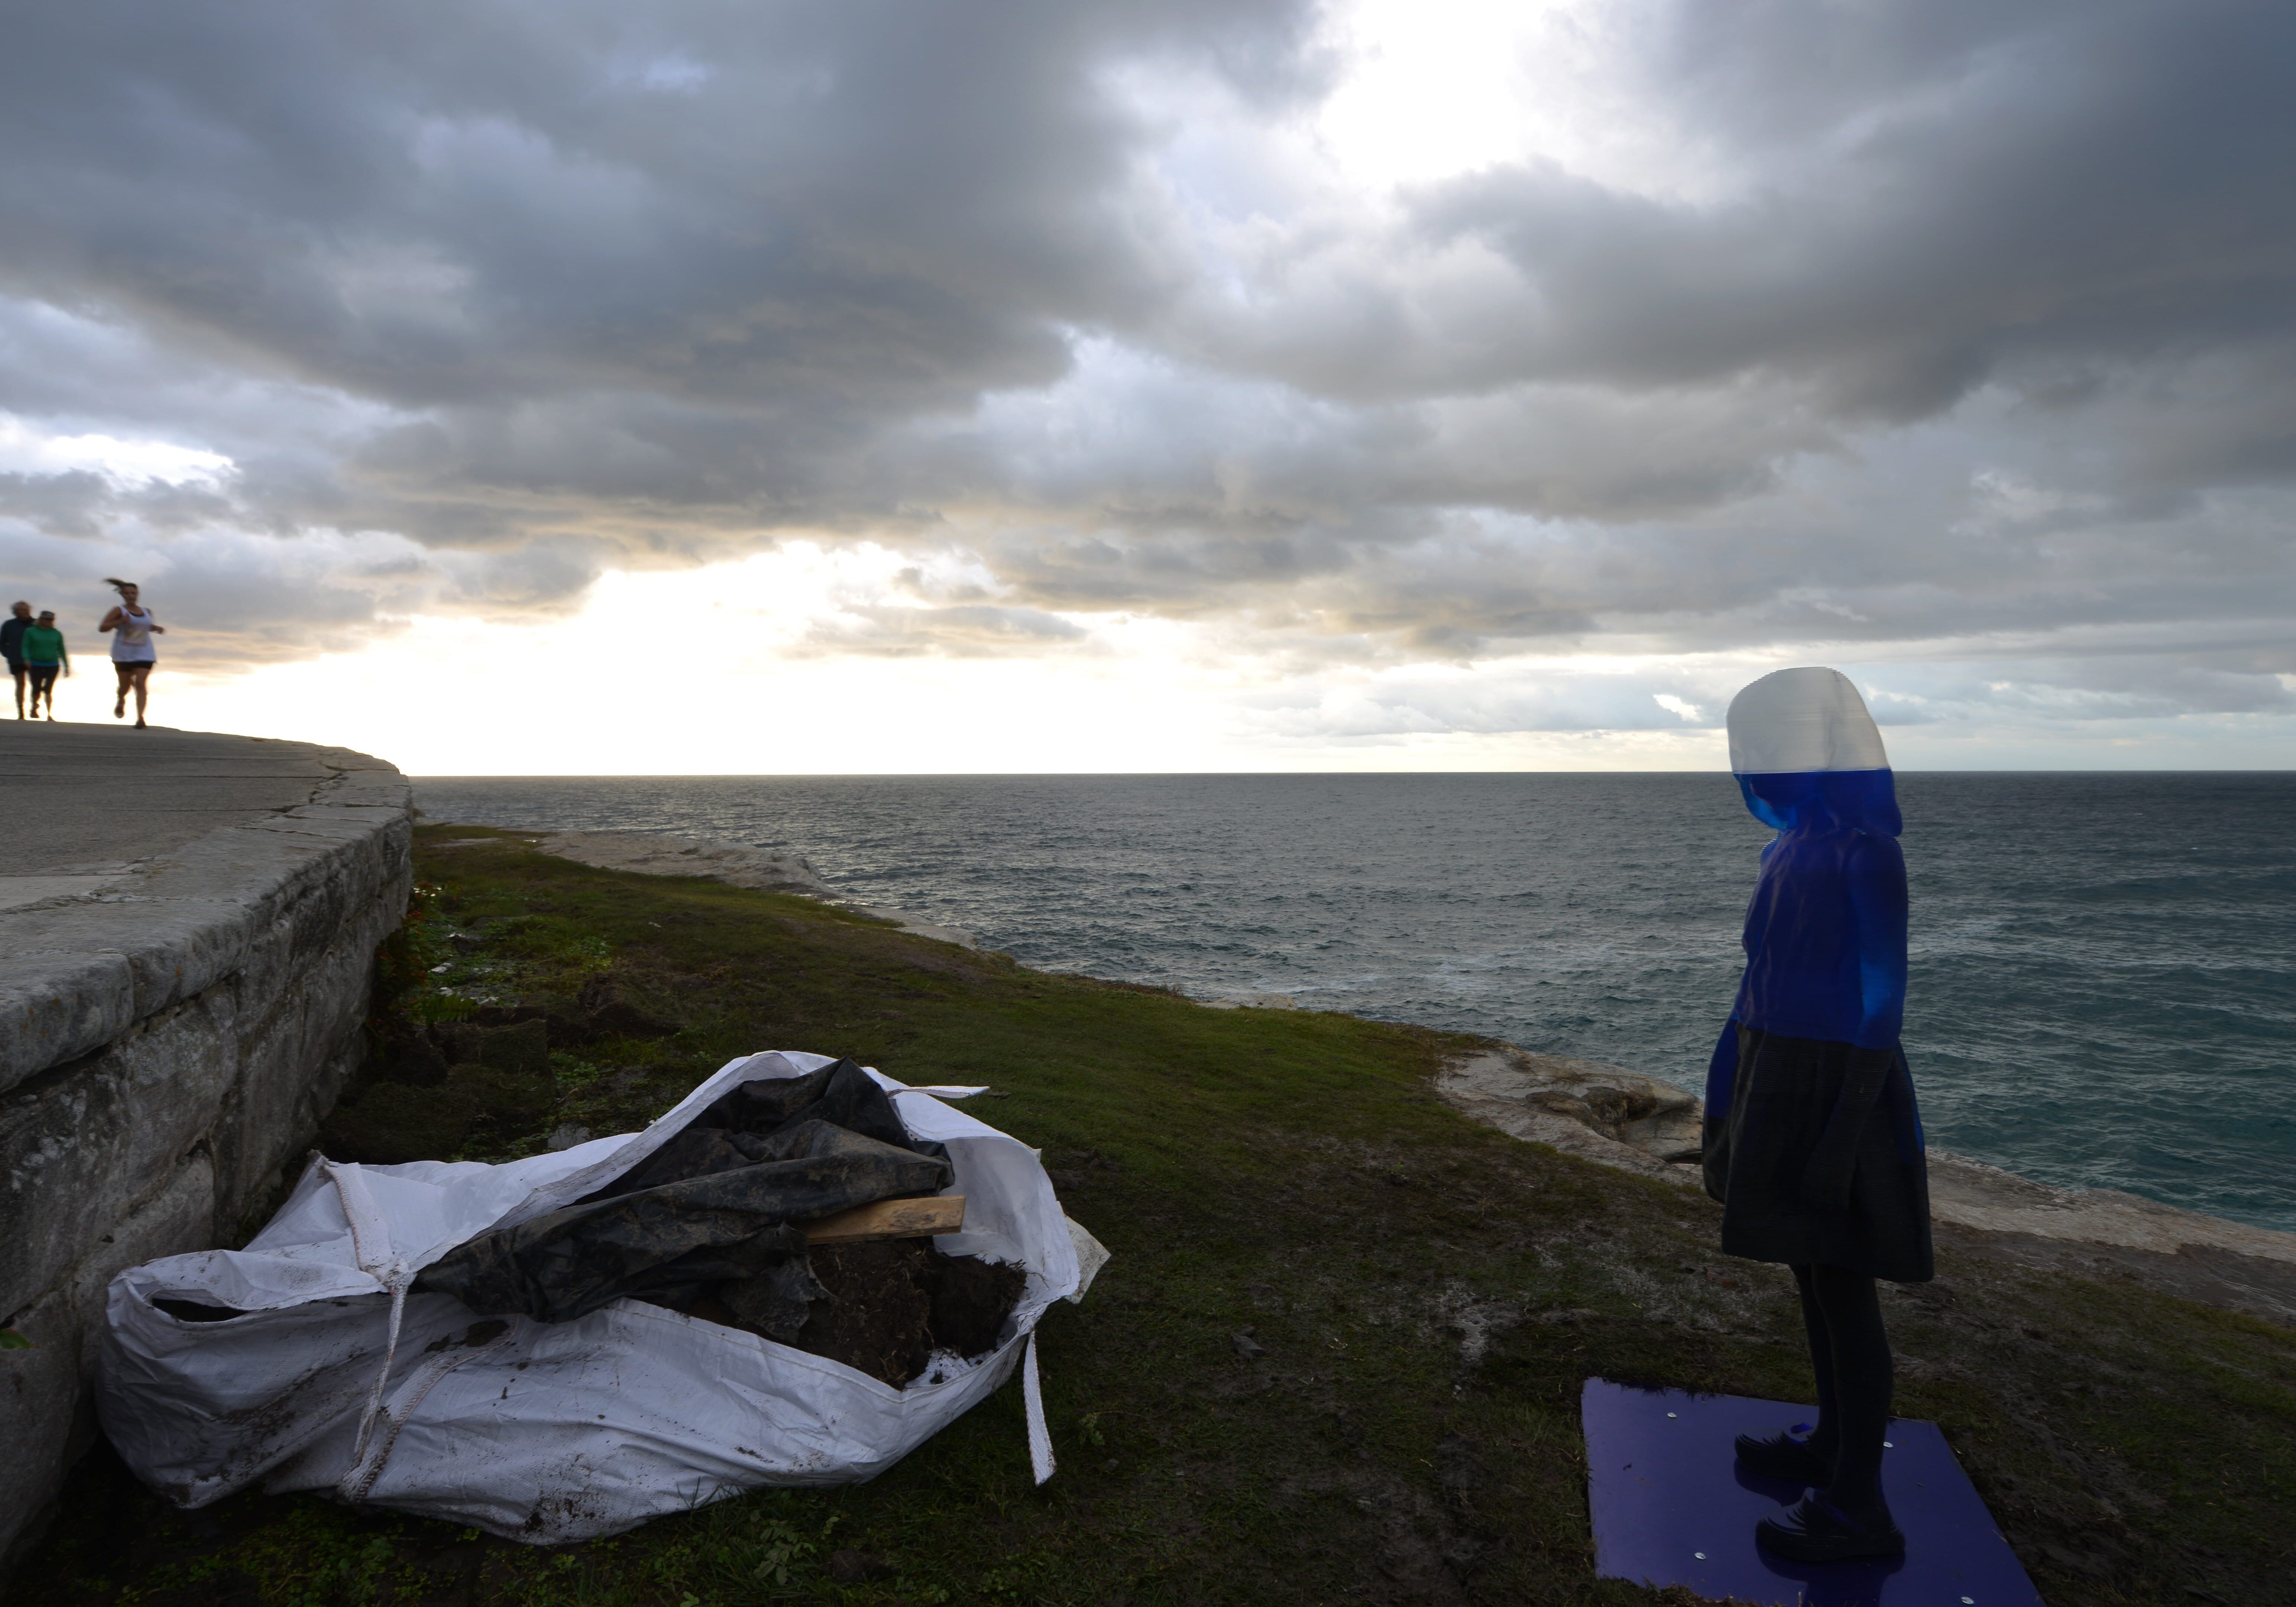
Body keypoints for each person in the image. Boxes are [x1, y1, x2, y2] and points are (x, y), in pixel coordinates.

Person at [1700, 666, 1931, 1565]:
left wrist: (1838, 1140)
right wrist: (1725, 1093)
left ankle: (1857, 1508)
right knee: (1807, 1271)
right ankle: (1832, 1440)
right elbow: (1755, 981)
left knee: (1842, 1285)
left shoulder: (1866, 851)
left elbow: (1879, 1006)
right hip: (1777, 1073)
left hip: (1840, 1089)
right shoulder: (1789, 847)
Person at [98, 578, 164, 729]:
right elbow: (102, 628)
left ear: (138, 594)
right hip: (123, 654)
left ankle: (140, 718)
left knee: (141, 683)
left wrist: (155, 628)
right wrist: (120, 621)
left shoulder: (147, 612)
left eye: (133, 593)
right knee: (125, 685)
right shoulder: (119, 611)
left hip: (145, 652)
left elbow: (143, 627)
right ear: (123, 595)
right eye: (127, 593)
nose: (130, 596)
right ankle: (121, 699)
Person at [21, 610, 68, 721]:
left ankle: (49, 714)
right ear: (41, 620)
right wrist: (26, 659)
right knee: (37, 688)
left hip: (53, 664)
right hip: (36, 663)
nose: (49, 622)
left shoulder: (56, 634)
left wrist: (66, 666)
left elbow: (62, 650)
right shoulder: (31, 632)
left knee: (48, 689)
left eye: (51, 620)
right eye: (47, 619)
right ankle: (34, 707)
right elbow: (26, 646)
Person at [3, 600, 29, 718]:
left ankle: (35, 707)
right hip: (16, 658)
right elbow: (2, 642)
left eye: (27, 609)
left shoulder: (35, 623)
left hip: (34, 658)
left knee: (37, 684)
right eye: (23, 610)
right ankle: (21, 711)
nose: (26, 612)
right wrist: (8, 654)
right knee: (21, 684)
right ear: (16, 612)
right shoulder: (9, 625)